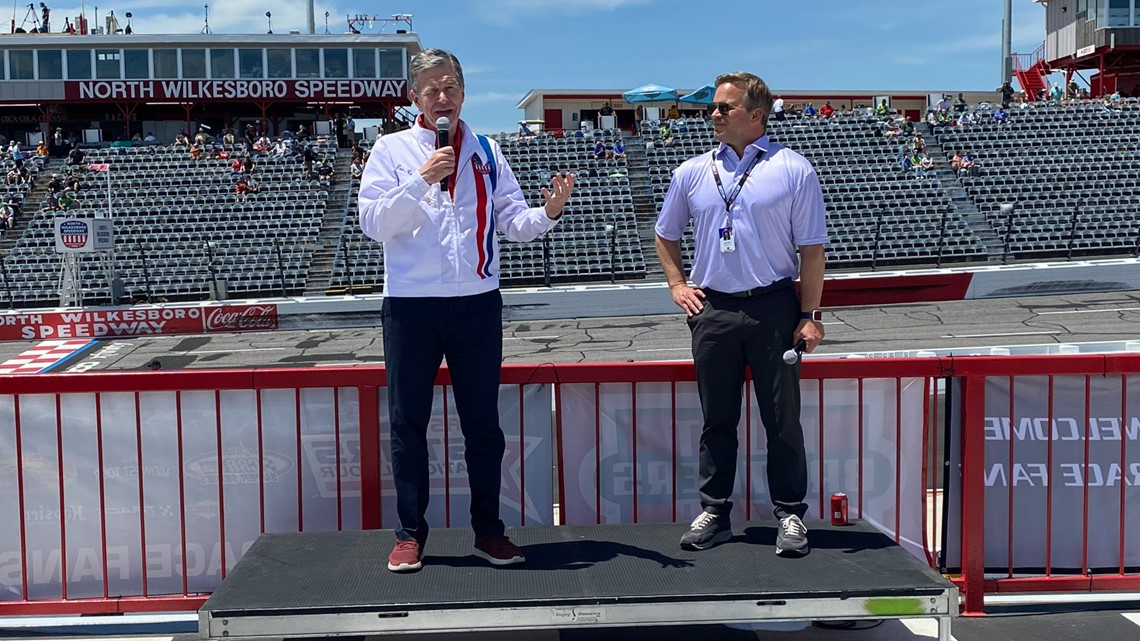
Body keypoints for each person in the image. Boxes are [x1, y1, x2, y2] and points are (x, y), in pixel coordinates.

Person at [358, 48, 575, 574]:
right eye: (430, 88)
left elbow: (512, 223)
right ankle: (410, 533)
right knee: (408, 423)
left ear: (463, 92)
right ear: (414, 97)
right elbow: (373, 222)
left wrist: (547, 212)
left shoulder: (488, 151)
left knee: (483, 425)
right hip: (411, 306)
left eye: (450, 85)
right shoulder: (390, 150)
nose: (441, 96)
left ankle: (489, 532)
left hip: (476, 304)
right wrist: (423, 178)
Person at [654, 71, 826, 557]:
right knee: (717, 419)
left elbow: (812, 251)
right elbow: (665, 234)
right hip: (714, 309)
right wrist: (676, 284)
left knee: (782, 419)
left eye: (724, 107)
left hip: (775, 307)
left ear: (756, 115)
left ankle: (790, 514)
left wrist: (810, 313)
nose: (714, 113)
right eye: (713, 106)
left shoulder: (793, 169)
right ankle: (715, 510)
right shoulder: (691, 171)